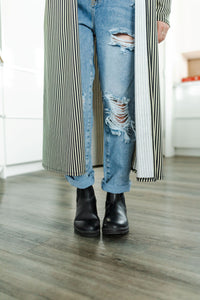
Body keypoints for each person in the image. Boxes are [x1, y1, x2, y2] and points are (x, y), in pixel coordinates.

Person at [42, 0, 171, 237]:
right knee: (73, 99)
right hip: (67, 7)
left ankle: (116, 194)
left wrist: (161, 9)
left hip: (121, 4)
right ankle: (84, 193)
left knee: (119, 103)